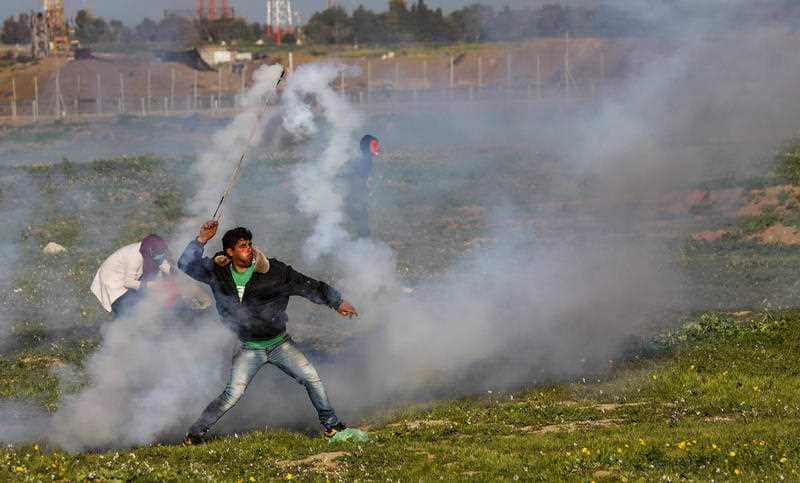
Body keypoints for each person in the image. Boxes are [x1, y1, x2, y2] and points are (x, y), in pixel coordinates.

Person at [178, 220, 359, 444]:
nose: (249, 249)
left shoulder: (274, 271)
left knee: (312, 378)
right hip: (248, 347)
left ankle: (333, 427)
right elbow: (186, 264)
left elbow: (307, 285)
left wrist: (336, 302)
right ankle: (195, 434)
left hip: (279, 344)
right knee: (232, 395)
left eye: (250, 244)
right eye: (243, 246)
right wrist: (202, 239)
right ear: (230, 252)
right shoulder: (217, 271)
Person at [90, 234, 173, 318]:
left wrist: (175, 274)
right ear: (150, 251)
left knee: (142, 300)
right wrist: (151, 285)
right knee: (127, 311)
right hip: (112, 281)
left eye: (162, 253)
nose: (161, 255)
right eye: (159, 254)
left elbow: (162, 264)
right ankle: (125, 328)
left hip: (128, 276)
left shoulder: (151, 251)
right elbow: (128, 282)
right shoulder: (134, 257)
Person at [347, 134, 380, 238]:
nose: (377, 148)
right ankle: (362, 242)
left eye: (377, 145)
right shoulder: (365, 159)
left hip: (357, 194)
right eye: (374, 145)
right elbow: (358, 179)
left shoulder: (365, 158)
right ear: (367, 146)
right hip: (356, 195)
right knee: (361, 218)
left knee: (361, 217)